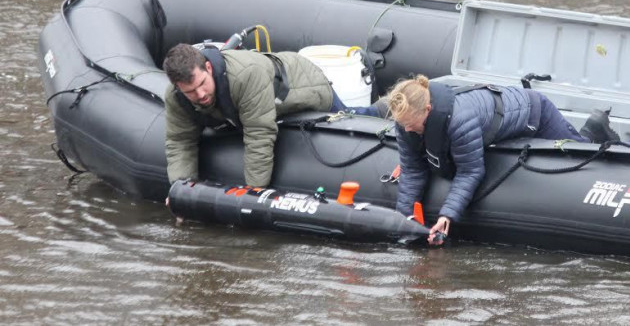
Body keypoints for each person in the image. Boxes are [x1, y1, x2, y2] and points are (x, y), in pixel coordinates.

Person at [387, 75, 589, 245]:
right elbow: (412, 170)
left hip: (535, 115)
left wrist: (446, 215)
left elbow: (470, 171)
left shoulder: (460, 119)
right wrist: (404, 223)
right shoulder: (406, 123)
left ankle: (594, 129)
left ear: (428, 110)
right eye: (403, 125)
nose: (407, 130)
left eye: (411, 124)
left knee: (581, 151)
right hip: (498, 127)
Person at [163, 43, 382, 189]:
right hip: (262, 99)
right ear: (178, 87)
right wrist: (182, 191)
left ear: (208, 68)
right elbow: (180, 141)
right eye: (190, 91)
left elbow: (259, 135)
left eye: (202, 84)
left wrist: (253, 193)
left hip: (304, 85)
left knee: (353, 118)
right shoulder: (176, 98)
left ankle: (385, 107)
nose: (199, 94)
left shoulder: (245, 76)